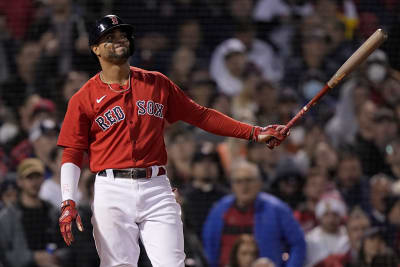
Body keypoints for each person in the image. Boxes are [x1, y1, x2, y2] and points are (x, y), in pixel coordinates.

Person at [57, 15, 289, 267]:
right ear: (95, 49)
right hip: (111, 189)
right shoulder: (83, 98)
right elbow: (72, 151)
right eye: (109, 38)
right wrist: (68, 200)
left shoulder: (156, 82)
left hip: (156, 186)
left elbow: (201, 115)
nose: (119, 40)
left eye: (122, 35)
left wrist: (254, 132)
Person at [202, 160, 305, 267]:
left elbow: (298, 244)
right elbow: (209, 245)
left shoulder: (277, 209)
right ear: (232, 185)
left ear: (259, 182)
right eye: (238, 181)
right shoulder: (219, 210)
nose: (244, 186)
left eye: (248, 180)